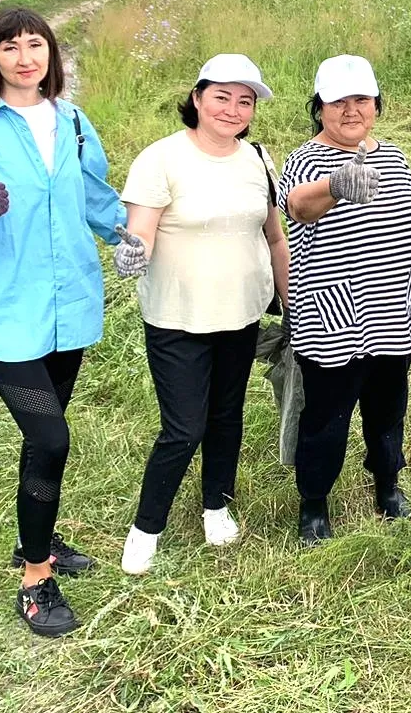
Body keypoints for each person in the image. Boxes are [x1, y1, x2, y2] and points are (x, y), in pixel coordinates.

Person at [0, 7, 124, 637]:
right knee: (52, 439)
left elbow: (96, 199)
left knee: (43, 439)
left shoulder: (74, 122)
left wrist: (130, 236)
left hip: (68, 309)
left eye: (35, 44)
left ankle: (35, 538)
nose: (24, 57)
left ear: (50, 55)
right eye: (9, 47)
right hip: (7, 313)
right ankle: (36, 578)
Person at [115, 55, 289, 575]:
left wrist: (288, 301)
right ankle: (147, 527)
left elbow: (274, 236)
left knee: (226, 416)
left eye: (245, 100)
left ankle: (216, 504)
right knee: (183, 426)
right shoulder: (161, 159)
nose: (233, 109)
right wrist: (131, 253)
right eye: (222, 97)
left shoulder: (258, 158)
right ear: (197, 98)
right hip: (177, 317)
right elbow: (139, 233)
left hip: (240, 315)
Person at [280, 55, 411, 544]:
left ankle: (387, 488)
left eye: (361, 99)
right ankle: (314, 505)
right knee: (326, 416)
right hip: (332, 317)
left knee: (388, 409)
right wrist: (336, 184)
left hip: (395, 313)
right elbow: (299, 206)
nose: (350, 110)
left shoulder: (393, 155)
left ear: (376, 105)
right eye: (337, 101)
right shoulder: (304, 159)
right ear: (319, 107)